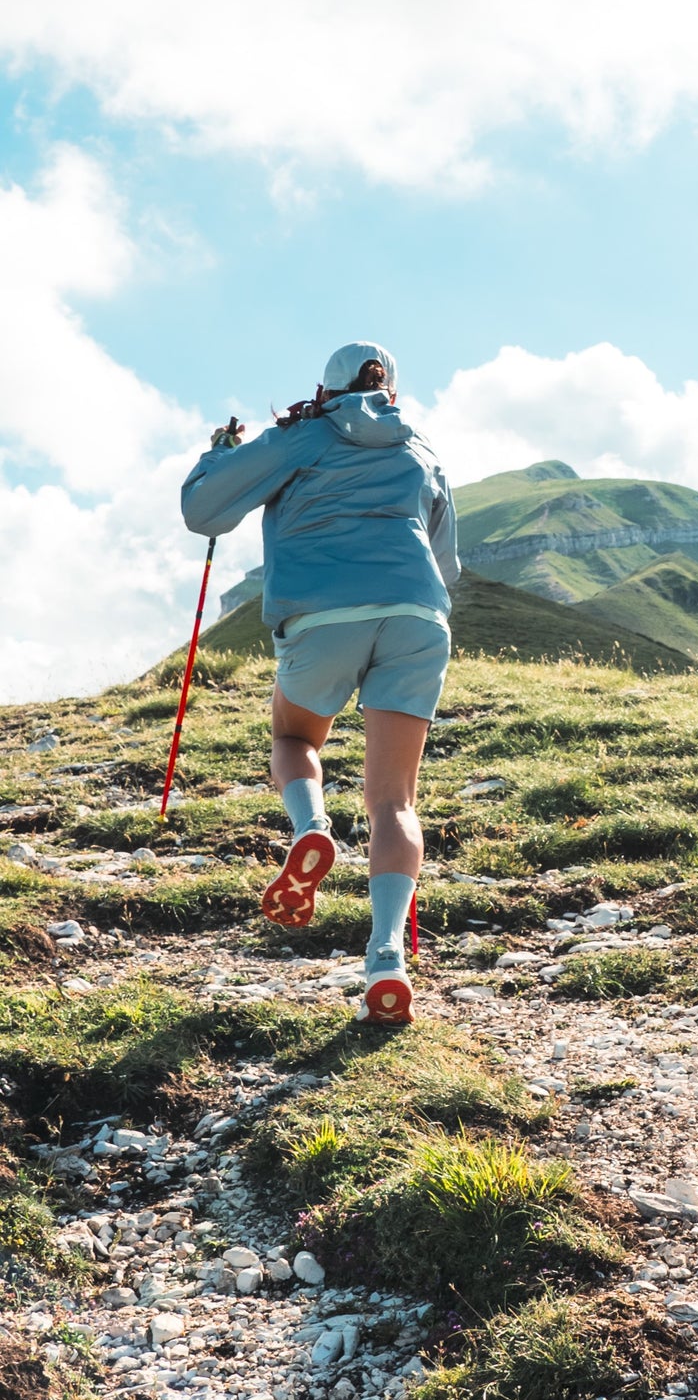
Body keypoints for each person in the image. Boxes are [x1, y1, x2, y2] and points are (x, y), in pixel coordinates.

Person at [180, 341, 459, 1026]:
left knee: (292, 733)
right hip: (418, 617)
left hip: (324, 614)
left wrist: (217, 455)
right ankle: (386, 957)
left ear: (324, 387)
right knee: (394, 800)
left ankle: (312, 827)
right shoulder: (421, 450)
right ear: (390, 388)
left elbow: (204, 511)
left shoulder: (300, 434)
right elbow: (448, 562)